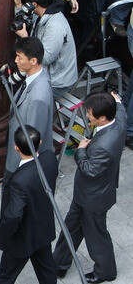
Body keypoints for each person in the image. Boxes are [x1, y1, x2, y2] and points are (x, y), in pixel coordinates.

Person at [53, 92, 126, 283]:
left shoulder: (104, 145)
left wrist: (81, 152)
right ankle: (59, 264)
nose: (87, 116)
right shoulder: (118, 119)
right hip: (87, 194)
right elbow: (121, 107)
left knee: (96, 237)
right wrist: (116, 99)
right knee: (71, 228)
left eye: (90, 113)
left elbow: (90, 170)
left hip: (94, 198)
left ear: (102, 117)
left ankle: (106, 272)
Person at [0, 37, 54, 235]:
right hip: (16, 149)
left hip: (21, 158)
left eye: (20, 57)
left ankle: (10, 226)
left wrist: (23, 165)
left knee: (13, 190)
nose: (16, 61)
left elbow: (33, 137)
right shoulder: (33, 79)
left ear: (33, 61)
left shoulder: (39, 95)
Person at [0, 126, 59, 284]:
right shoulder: (50, 158)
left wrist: (4, 234)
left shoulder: (20, 181)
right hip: (42, 229)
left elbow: (14, 215)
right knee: (47, 271)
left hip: (22, 238)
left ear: (16, 148)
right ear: (40, 142)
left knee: (5, 277)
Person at [13, 0, 78, 98]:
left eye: (28, 2)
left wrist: (25, 38)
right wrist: (18, 6)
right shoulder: (42, 13)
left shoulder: (55, 26)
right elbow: (25, 21)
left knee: (24, 100)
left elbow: (45, 58)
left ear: (34, 4)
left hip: (57, 82)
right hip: (49, 74)